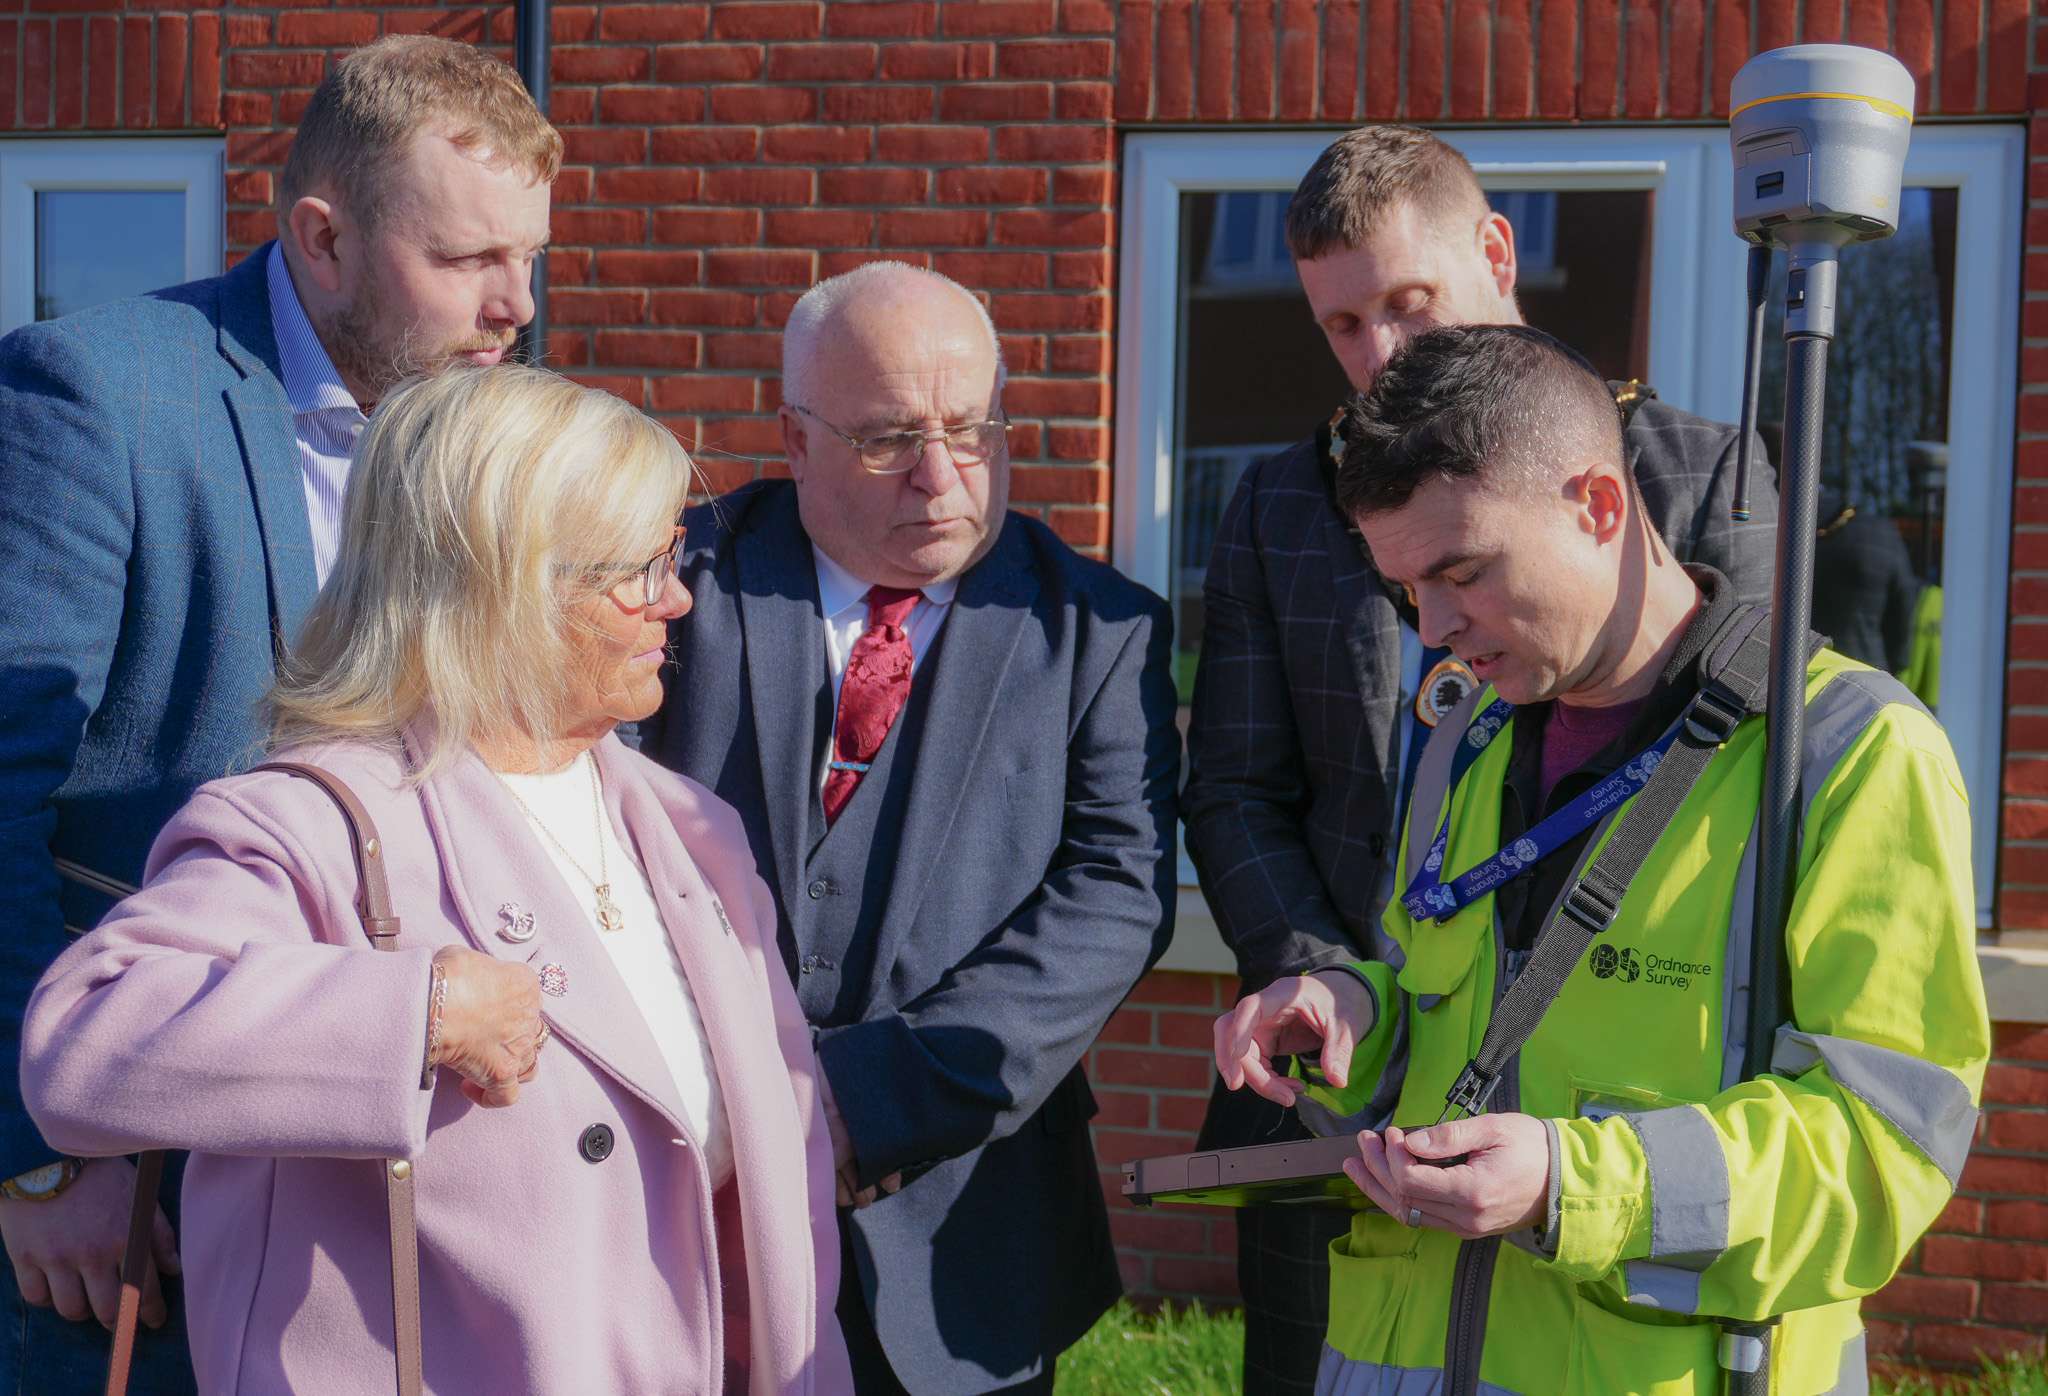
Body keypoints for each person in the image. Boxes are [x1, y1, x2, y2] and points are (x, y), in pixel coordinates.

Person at [21, 365, 852, 1396]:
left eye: (674, 556)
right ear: (501, 586)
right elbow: (81, 1046)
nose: (675, 598)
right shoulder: (314, 821)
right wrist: (417, 1012)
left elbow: (778, 1188)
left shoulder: (687, 830)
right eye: (638, 568)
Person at [1212, 324, 1988, 1396]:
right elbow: (1464, 1032)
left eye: (1460, 571)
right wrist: (1351, 1009)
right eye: (1405, 591)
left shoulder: (1845, 752)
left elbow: (1882, 1147)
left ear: (1598, 505)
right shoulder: (1461, 737)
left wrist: (1573, 1184)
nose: (1433, 629)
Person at [1180, 124, 1785, 1393]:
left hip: (1603, 1126)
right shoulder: (1279, 499)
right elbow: (1234, 785)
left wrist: (1575, 1156)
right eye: (1341, 326)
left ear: (1496, 253)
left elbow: (1747, 790)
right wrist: (1331, 985)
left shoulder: (1692, 470)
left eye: (1407, 303)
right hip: (1340, 1104)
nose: (1380, 352)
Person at [0, 34, 554, 1391]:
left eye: (530, 258)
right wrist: (36, 1154)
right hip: (143, 1193)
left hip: (421, 1165)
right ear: (321, 238)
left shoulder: (491, 429)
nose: (516, 307)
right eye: (470, 260)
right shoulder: (100, 399)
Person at [637, 261, 1180, 1395]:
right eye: (887, 438)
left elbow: (1113, 897)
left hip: (964, 1232)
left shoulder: (1100, 631)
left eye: (972, 430)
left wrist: (868, 1100)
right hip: (686, 1198)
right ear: (792, 438)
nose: (941, 478)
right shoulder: (670, 587)